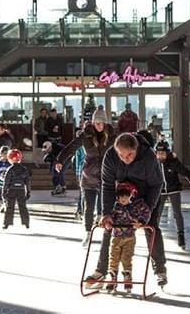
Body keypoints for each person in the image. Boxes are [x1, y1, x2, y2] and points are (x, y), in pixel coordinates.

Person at [85, 133, 166, 289]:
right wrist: (106, 213)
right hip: (123, 195)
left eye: (130, 155)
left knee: (151, 228)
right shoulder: (110, 156)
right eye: (122, 155)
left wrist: (145, 212)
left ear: (136, 149)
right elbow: (107, 185)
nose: (125, 159)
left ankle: (160, 270)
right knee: (111, 227)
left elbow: (157, 184)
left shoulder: (148, 157)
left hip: (146, 195)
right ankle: (101, 270)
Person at [55, 110, 116, 241]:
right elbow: (70, 148)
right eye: (97, 123)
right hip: (89, 175)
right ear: (93, 123)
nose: (99, 126)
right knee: (88, 207)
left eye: (102, 123)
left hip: (106, 176)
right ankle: (88, 232)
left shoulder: (112, 135)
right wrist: (60, 160)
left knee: (106, 208)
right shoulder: (86, 135)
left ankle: (107, 234)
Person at [104, 181, 152, 293]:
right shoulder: (115, 206)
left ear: (132, 195)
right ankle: (112, 278)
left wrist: (141, 221)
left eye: (126, 196)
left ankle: (127, 277)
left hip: (129, 237)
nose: (123, 199)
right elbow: (108, 214)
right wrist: (108, 222)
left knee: (127, 257)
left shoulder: (137, 205)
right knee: (113, 258)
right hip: (116, 236)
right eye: (121, 197)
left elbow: (146, 212)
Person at [154, 141, 190, 249]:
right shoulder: (153, 163)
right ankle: (154, 235)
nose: (161, 156)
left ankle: (181, 235)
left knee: (177, 213)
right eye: (159, 153)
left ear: (168, 153)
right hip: (160, 191)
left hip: (174, 189)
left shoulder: (173, 162)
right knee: (156, 214)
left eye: (163, 153)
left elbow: (186, 172)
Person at [1, 149, 31, 230]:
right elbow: (27, 182)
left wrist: (3, 193)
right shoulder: (24, 169)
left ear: (10, 158)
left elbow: (6, 182)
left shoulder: (10, 169)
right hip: (21, 190)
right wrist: (28, 192)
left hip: (11, 190)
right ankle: (26, 223)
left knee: (9, 207)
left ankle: (7, 223)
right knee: (23, 207)